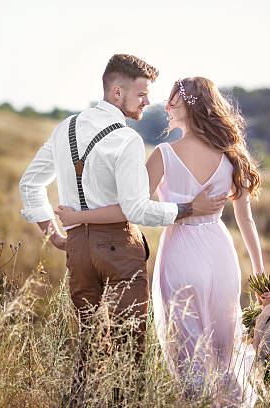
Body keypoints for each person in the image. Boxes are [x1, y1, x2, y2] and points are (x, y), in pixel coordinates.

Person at [55, 77, 270, 406]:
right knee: (224, 351)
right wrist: (262, 281)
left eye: (173, 101)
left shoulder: (164, 154)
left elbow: (132, 209)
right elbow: (246, 221)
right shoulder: (232, 156)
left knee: (190, 355)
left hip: (181, 258)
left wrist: (81, 217)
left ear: (189, 106)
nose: (166, 106)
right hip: (220, 257)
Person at [18, 55, 228, 401]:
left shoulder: (64, 128)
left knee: (88, 348)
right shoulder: (126, 139)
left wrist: (55, 234)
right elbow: (137, 209)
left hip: (78, 250)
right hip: (119, 249)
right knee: (128, 354)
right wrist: (190, 208)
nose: (149, 102)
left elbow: (30, 184)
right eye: (142, 94)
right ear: (118, 92)